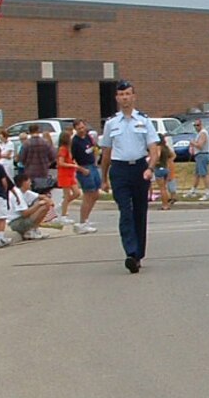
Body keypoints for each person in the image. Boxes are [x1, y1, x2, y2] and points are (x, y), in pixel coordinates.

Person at [99, 80, 161, 273]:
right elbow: (106, 153)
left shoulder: (144, 121)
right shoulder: (111, 123)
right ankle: (130, 252)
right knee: (125, 212)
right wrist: (104, 178)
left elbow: (154, 148)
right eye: (121, 94)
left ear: (133, 96)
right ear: (117, 98)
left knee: (139, 212)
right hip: (119, 170)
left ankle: (138, 254)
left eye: (128, 94)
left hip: (140, 169)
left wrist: (150, 167)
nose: (125, 98)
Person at [70, 120, 100, 234]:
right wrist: (81, 169)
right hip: (84, 168)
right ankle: (82, 221)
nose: (82, 130)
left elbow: (94, 148)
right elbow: (71, 160)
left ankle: (86, 218)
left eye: (83, 127)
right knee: (88, 195)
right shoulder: (75, 142)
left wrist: (96, 160)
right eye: (79, 129)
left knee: (95, 194)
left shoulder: (88, 137)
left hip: (93, 166)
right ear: (75, 130)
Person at [7, 174, 52, 240]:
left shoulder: (26, 192)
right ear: (24, 183)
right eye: (29, 181)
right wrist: (38, 204)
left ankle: (34, 230)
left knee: (43, 204)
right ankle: (30, 231)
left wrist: (47, 200)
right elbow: (24, 213)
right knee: (42, 206)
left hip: (22, 219)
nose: (31, 183)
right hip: (16, 222)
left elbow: (41, 196)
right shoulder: (17, 194)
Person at [18, 124, 56, 192]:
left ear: (29, 132)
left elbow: (21, 159)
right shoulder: (45, 142)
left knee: (32, 194)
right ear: (38, 131)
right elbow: (53, 156)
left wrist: (27, 164)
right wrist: (47, 164)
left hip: (30, 172)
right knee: (44, 192)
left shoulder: (26, 144)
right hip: (43, 172)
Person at [56, 130, 80, 222]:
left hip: (70, 174)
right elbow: (61, 163)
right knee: (67, 195)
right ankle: (63, 215)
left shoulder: (69, 149)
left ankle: (63, 206)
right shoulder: (62, 149)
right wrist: (72, 165)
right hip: (64, 174)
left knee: (76, 193)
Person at [188, 118, 209, 200]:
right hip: (198, 156)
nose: (196, 127)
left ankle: (208, 192)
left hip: (202, 155)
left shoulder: (203, 133)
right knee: (196, 174)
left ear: (201, 125)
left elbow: (200, 145)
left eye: (198, 125)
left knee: (204, 174)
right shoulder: (199, 134)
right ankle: (193, 190)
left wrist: (193, 143)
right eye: (195, 125)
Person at [153, 133, 177, 210]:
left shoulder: (158, 147)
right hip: (166, 168)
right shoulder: (166, 147)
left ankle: (165, 205)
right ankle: (167, 203)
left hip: (159, 168)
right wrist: (168, 161)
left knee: (162, 188)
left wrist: (154, 162)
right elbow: (173, 155)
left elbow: (158, 156)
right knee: (164, 188)